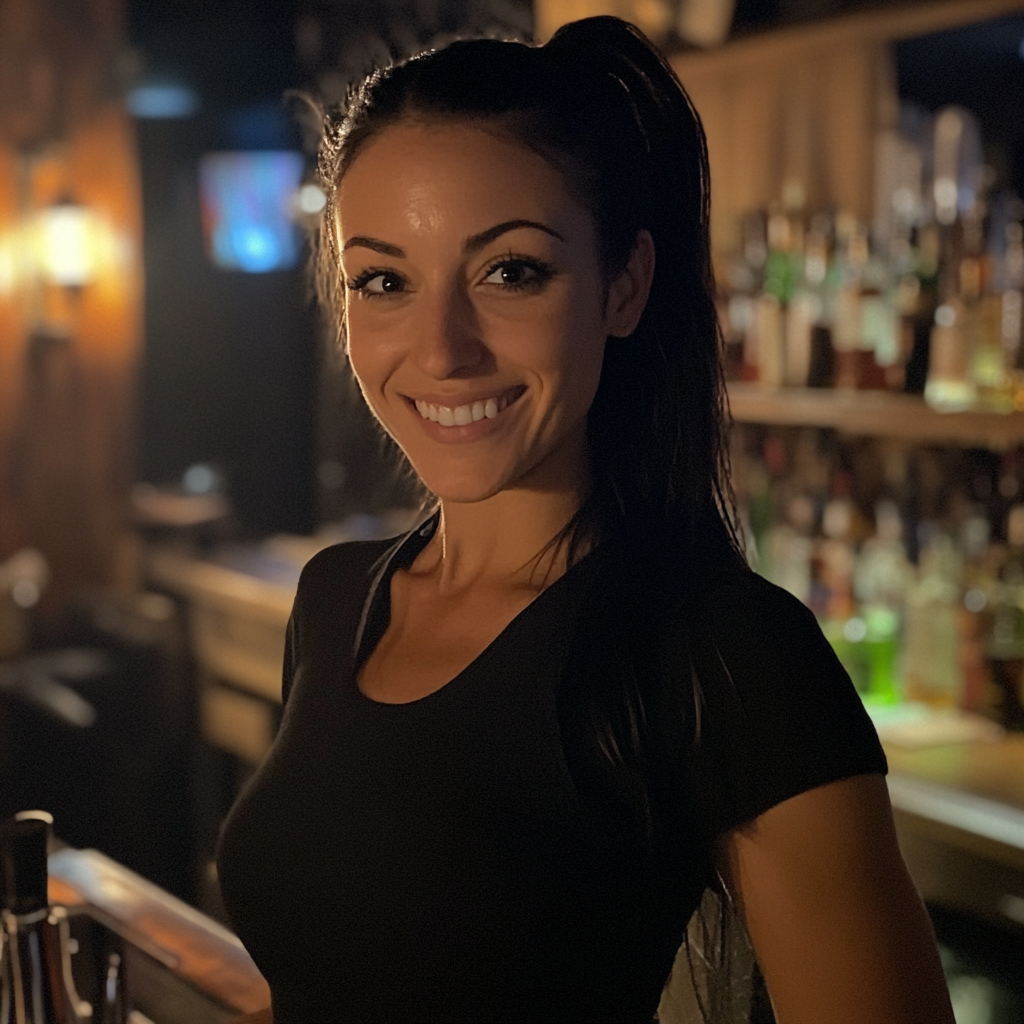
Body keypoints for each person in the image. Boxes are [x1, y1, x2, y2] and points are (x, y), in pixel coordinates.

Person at [217, 17, 955, 1024]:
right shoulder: (336, 597)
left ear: (624, 285)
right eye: (383, 280)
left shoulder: (725, 657)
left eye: (510, 270)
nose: (441, 351)